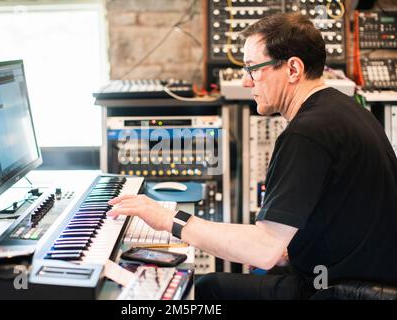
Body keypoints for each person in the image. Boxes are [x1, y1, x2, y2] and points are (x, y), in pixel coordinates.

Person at [107, 13, 397, 300]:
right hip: (354, 275)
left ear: (293, 69)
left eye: (252, 68)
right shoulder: (341, 109)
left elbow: (263, 251)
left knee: (207, 288)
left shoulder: (307, 132)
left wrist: (167, 218)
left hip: (338, 290)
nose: (246, 82)